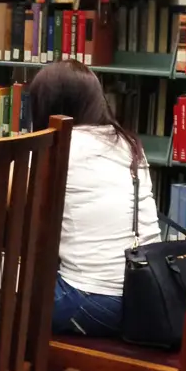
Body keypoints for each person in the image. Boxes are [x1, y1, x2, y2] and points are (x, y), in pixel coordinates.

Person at [29, 59, 160, 337]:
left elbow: (3, 193)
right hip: (148, 295)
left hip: (94, 301)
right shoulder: (129, 144)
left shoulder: (57, 147)